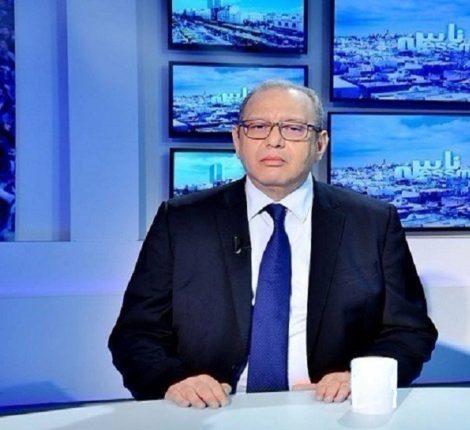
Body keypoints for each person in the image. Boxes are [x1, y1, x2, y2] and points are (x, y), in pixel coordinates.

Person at [108, 81, 438, 408]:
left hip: (331, 411)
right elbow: (136, 333)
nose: (274, 140)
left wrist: (363, 377)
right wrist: (174, 382)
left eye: (294, 128)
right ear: (237, 140)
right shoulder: (181, 221)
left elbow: (409, 331)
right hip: (208, 412)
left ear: (320, 144)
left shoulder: (372, 222)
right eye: (258, 127)